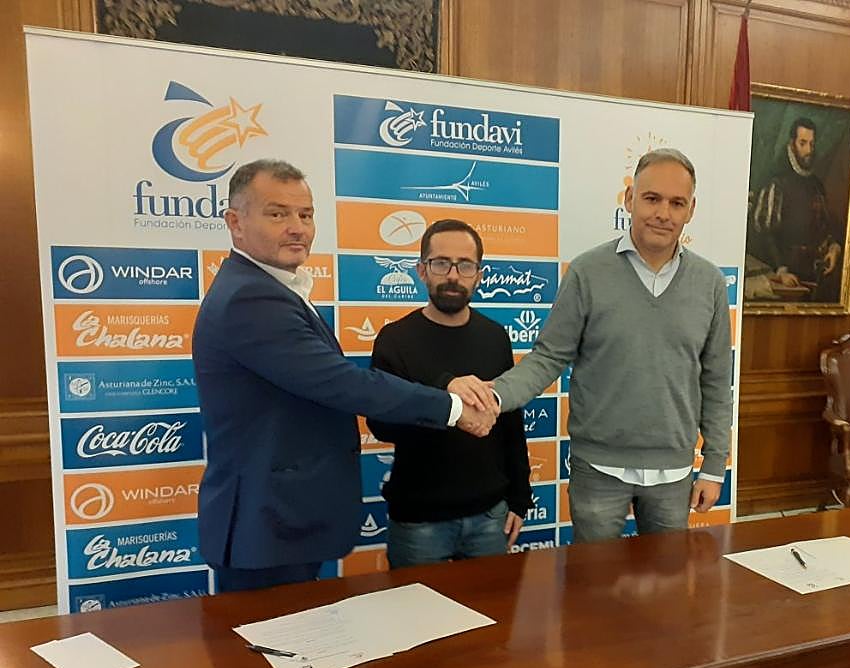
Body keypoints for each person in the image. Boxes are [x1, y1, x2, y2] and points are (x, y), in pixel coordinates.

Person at [193, 159, 495, 592]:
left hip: (280, 520)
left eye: (305, 215)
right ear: (235, 223)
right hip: (265, 525)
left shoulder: (271, 288)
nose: (297, 228)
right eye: (277, 214)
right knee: (272, 634)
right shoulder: (251, 298)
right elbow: (341, 383)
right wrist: (453, 407)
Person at [450, 148, 732, 543]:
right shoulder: (587, 272)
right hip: (597, 470)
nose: (663, 213)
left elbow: (717, 381)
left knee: (667, 580)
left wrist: (714, 466)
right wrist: (494, 396)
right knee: (594, 579)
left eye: (676, 203)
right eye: (652, 199)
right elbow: (548, 357)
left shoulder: (710, 282)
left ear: (691, 210)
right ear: (630, 199)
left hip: (674, 475)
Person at [368, 219, 530, 565]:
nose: (453, 275)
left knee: (493, 604)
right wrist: (442, 393)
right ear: (421, 271)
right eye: (441, 263)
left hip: (490, 515)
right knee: (416, 604)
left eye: (465, 265)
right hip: (419, 520)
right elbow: (380, 425)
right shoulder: (395, 339)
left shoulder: (495, 336)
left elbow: (510, 423)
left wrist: (519, 498)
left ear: (479, 275)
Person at [750, 117, 843, 303]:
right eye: (803, 143)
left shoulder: (816, 185)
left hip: (813, 277)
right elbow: (763, 233)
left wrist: (834, 248)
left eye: (811, 144)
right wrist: (780, 270)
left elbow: (824, 226)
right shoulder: (776, 181)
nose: (809, 150)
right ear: (792, 144)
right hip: (784, 281)